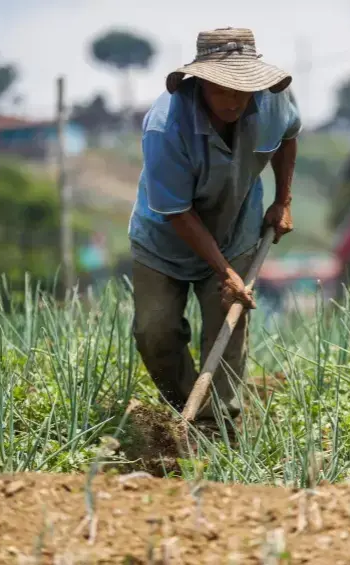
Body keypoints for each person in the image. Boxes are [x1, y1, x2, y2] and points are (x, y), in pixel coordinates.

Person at [128, 27, 301, 425]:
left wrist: (282, 201)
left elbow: (289, 137)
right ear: (201, 81)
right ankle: (189, 415)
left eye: (243, 89)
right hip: (164, 242)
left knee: (227, 330)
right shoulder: (165, 127)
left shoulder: (273, 102)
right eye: (223, 89)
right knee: (155, 333)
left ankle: (219, 429)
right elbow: (178, 213)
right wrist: (225, 273)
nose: (234, 101)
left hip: (236, 229)